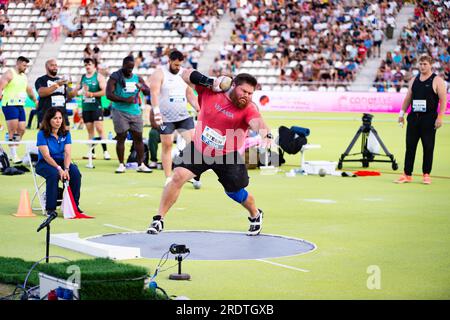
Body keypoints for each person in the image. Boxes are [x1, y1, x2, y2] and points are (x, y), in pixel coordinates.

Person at [147, 72, 272, 236]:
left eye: (250, 93)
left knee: (235, 193)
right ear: (233, 85)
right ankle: (158, 219)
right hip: (200, 149)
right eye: (244, 91)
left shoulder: (248, 108)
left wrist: (266, 134)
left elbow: (258, 122)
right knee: (177, 176)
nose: (247, 96)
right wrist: (209, 81)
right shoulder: (210, 91)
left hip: (228, 156)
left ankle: (255, 214)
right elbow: (185, 75)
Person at [148, 50, 200, 186]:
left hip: (183, 116)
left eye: (179, 65)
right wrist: (156, 112)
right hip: (166, 117)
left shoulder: (184, 74)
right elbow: (154, 93)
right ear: (169, 61)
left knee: (194, 144)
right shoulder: (159, 73)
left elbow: (189, 93)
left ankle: (188, 173)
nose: (178, 68)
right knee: (167, 145)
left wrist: (198, 108)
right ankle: (168, 177)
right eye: (175, 65)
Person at [396, 55, 447, 184]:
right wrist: (401, 114)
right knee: (410, 146)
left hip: (429, 119)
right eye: (420, 64)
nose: (422, 66)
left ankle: (426, 174)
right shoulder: (414, 80)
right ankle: (407, 174)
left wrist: (440, 117)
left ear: (431, 65)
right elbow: (408, 98)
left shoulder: (437, 80)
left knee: (428, 147)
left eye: (425, 64)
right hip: (414, 118)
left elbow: (443, 100)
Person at [106, 55, 152, 173]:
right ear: (123, 65)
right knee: (121, 137)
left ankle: (141, 164)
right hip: (120, 112)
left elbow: (148, 91)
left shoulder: (137, 78)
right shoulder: (115, 77)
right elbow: (108, 95)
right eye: (127, 68)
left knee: (138, 138)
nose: (129, 70)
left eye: (132, 68)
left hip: (135, 112)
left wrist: (141, 87)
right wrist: (125, 99)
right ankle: (121, 164)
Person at [36, 108, 82, 217]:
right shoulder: (42, 134)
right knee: (53, 174)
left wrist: (66, 169)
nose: (58, 121)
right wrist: (59, 169)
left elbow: (67, 153)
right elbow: (46, 156)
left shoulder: (66, 133)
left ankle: (74, 205)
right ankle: (50, 208)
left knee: (75, 173)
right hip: (44, 163)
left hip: (62, 162)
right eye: (55, 118)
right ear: (49, 120)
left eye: (60, 118)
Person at [0, 56, 38, 163]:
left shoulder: (24, 77)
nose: (25, 67)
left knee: (21, 129)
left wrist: (35, 100)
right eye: (24, 65)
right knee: (13, 130)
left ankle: (13, 147)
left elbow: (29, 90)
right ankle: (14, 154)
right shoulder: (10, 73)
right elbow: (0, 86)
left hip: (20, 105)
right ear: (18, 63)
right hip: (9, 105)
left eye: (26, 65)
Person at [75, 58, 110, 161]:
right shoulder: (82, 78)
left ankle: (105, 152)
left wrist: (92, 94)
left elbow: (104, 91)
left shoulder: (99, 77)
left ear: (94, 66)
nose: (87, 66)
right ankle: (92, 153)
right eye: (85, 65)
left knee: (100, 129)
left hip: (96, 107)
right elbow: (76, 90)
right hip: (86, 107)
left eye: (89, 64)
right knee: (90, 131)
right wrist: (79, 91)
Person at [35, 59, 75, 130]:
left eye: (56, 65)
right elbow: (41, 93)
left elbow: (70, 96)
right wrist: (57, 85)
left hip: (62, 114)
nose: (55, 67)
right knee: (47, 137)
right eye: (52, 65)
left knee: (65, 136)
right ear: (46, 67)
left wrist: (69, 84)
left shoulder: (61, 80)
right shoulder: (41, 80)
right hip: (47, 114)